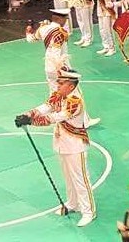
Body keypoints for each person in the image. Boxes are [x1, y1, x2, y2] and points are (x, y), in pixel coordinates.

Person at [13, 68, 96, 227]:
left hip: (75, 145)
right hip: (62, 143)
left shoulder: (75, 102)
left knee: (80, 180)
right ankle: (72, 203)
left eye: (62, 82)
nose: (57, 84)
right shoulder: (59, 95)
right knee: (68, 177)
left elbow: (57, 116)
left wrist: (32, 122)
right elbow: (45, 107)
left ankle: (88, 211)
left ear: (71, 86)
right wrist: (27, 115)